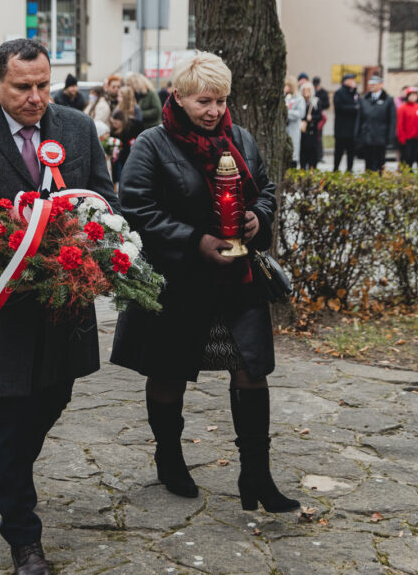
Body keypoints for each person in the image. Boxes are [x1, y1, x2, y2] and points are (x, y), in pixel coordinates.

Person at [0, 38, 118, 575]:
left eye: (43, 86)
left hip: (67, 296)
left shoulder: (77, 129)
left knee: (56, 393)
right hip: (5, 300)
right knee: (11, 411)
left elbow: (102, 199)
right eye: (23, 87)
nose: (37, 98)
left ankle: (11, 472)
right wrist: (2, 262)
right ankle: (23, 537)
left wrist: (94, 253)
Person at [111, 51, 300, 515]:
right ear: (178, 96)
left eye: (220, 100)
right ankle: (169, 458)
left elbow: (267, 188)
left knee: (251, 372)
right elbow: (136, 209)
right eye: (204, 101)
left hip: (237, 280)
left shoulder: (240, 137)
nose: (214, 111)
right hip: (177, 282)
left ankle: (256, 473)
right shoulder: (151, 144)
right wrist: (195, 240)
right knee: (169, 371)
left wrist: (259, 216)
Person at [355, 75, 395, 173]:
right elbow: (359, 119)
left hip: (380, 136)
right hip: (367, 135)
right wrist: (357, 134)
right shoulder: (364, 99)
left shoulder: (388, 100)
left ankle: (379, 181)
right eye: (370, 84)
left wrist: (390, 136)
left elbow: (392, 119)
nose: (371, 86)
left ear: (381, 85)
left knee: (380, 162)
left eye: (374, 84)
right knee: (368, 162)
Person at [332, 73, 359, 172]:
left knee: (351, 152)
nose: (353, 82)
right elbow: (339, 108)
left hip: (352, 129)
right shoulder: (339, 93)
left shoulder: (355, 93)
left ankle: (349, 169)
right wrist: (353, 108)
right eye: (351, 79)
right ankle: (336, 168)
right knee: (339, 151)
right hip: (341, 129)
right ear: (345, 81)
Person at [395, 88, 418, 169]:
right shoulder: (402, 108)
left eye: (414, 95)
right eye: (411, 95)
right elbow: (400, 124)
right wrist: (402, 139)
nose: (413, 97)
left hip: (416, 138)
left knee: (413, 157)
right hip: (406, 139)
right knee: (405, 158)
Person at [298, 81, 323, 170]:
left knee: (313, 155)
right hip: (302, 132)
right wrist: (305, 118)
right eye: (304, 89)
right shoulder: (299, 101)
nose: (306, 91)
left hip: (313, 132)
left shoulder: (316, 101)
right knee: (303, 155)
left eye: (308, 89)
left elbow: (320, 115)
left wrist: (311, 117)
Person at [284, 79, 305, 168]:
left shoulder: (299, 99)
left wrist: (287, 113)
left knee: (293, 152)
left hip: (293, 129)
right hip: (285, 129)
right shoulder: (284, 98)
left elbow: (300, 113)